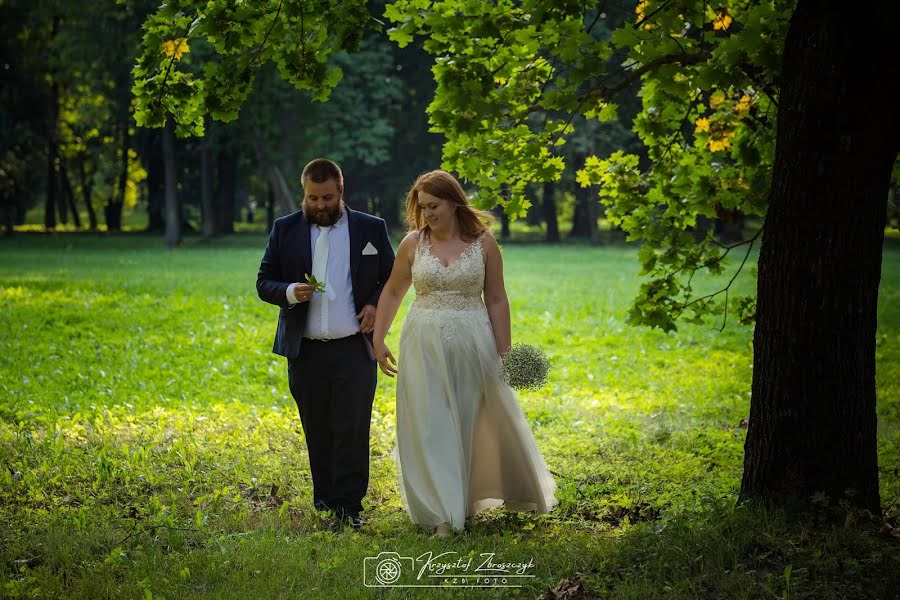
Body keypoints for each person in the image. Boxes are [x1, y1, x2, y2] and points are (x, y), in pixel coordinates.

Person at [373, 169, 557, 537]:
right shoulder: (413, 243)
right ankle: (443, 515)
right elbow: (394, 291)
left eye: (435, 206)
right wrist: (379, 339)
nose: (428, 215)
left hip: (474, 342)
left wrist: (505, 352)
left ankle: (466, 499)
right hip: (423, 343)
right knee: (432, 425)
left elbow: (497, 297)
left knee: (471, 422)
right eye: (422, 207)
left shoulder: (483, 243)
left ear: (455, 202)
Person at [256, 158, 395, 528]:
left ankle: (350, 507)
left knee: (352, 428)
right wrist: (288, 291)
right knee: (317, 427)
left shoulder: (371, 228)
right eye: (313, 198)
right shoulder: (284, 229)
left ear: (341, 191)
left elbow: (392, 278)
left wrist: (374, 304)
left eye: (327, 197)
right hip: (306, 351)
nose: (320, 205)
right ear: (304, 193)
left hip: (354, 348)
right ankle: (325, 503)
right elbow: (263, 281)